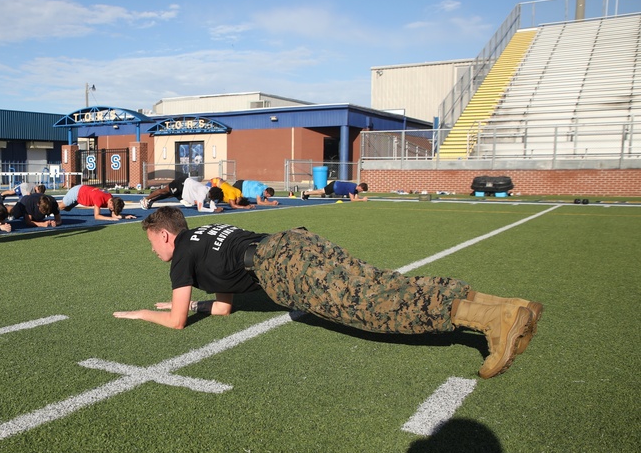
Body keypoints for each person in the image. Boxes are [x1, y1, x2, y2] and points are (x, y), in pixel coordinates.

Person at [113, 207, 543, 379]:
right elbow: (223, 305)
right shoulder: (205, 235)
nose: (152, 249)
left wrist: (142, 314)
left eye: (152, 241)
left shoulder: (180, 256)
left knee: (371, 306)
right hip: (295, 241)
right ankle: (508, 307)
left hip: (283, 266)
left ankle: (490, 322)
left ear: (166, 235)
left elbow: (177, 321)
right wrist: (199, 302)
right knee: (383, 283)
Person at [57, 184, 136, 221]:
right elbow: (97, 216)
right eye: (112, 208)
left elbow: (113, 214)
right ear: (111, 203)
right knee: (61, 207)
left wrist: (124, 216)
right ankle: (48, 206)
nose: (112, 210)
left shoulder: (111, 198)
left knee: (67, 209)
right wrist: (110, 219)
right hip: (77, 192)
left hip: (82, 192)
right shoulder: (99, 198)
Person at [302, 180, 368, 201]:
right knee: (321, 192)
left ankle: (307, 193)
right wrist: (362, 200)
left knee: (322, 191)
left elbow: (356, 198)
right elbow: (353, 200)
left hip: (335, 187)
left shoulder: (355, 189)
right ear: (360, 187)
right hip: (334, 186)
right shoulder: (352, 187)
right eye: (362, 190)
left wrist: (361, 198)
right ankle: (305, 193)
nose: (361, 191)